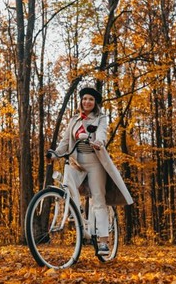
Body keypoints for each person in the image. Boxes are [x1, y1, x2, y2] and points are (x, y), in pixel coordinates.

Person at [49, 86, 133, 254]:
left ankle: (103, 241)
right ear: (81, 101)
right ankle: (75, 209)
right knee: (66, 183)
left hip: (95, 163)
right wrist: (55, 154)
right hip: (77, 163)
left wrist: (99, 142)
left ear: (95, 103)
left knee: (98, 199)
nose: (87, 102)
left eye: (91, 100)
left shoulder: (100, 118)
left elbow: (102, 133)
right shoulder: (74, 120)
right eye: (85, 99)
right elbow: (65, 141)